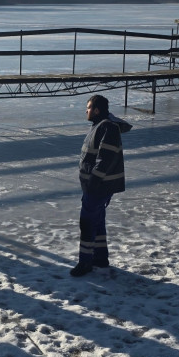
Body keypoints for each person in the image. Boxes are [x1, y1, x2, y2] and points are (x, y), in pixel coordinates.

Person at [73, 94, 132, 276]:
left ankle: (85, 263)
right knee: (97, 221)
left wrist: (93, 181)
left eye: (88, 107)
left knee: (87, 222)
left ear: (97, 110)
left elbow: (105, 158)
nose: (86, 111)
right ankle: (100, 258)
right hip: (95, 185)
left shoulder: (107, 128)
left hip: (98, 186)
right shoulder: (100, 126)